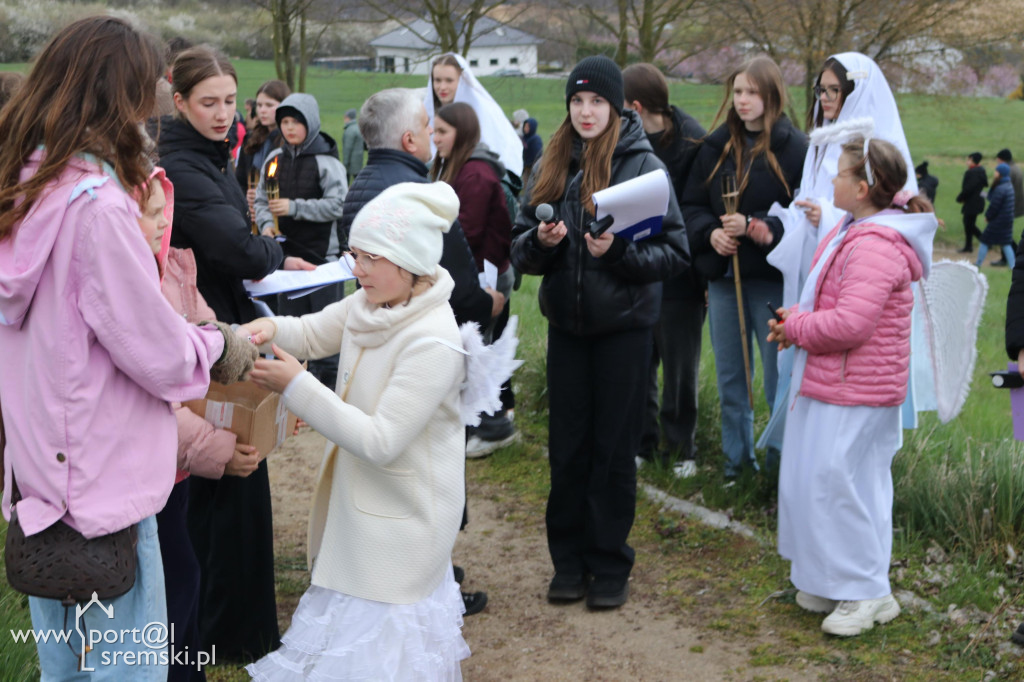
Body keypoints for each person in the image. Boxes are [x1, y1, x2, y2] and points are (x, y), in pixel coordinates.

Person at [0, 17, 254, 678]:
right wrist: (215, 347)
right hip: (104, 481)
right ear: (123, 97)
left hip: (44, 479)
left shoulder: (23, 190)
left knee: (67, 665)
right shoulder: (97, 209)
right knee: (124, 668)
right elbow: (156, 352)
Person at [242, 181, 471, 679]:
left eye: (370, 258)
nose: (357, 268)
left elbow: (381, 441)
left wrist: (297, 386)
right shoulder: (370, 303)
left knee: (379, 652)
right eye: (353, 255)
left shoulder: (434, 340)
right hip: (365, 508)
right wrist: (268, 330)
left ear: (408, 262)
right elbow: (313, 331)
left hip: (403, 520)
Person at [511, 56, 690, 608]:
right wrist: (541, 244)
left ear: (617, 107)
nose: (586, 112)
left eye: (597, 102)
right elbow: (520, 248)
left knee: (612, 453)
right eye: (577, 101)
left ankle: (610, 564)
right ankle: (568, 562)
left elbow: (675, 254)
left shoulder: (642, 165)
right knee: (568, 451)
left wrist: (620, 253)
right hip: (567, 328)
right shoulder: (552, 159)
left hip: (625, 333)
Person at [157, 46, 307, 661]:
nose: (222, 114)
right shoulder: (183, 166)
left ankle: (234, 631)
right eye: (207, 102)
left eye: (228, 101)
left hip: (222, 327)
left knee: (240, 473)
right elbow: (240, 250)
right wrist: (272, 252)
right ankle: (224, 636)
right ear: (179, 102)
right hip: (206, 334)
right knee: (225, 476)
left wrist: (264, 250)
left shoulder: (209, 155)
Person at [340, 88, 500, 614]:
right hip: (419, 343)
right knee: (427, 472)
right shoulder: (417, 200)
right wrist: (490, 304)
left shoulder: (359, 186)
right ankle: (436, 581)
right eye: (428, 129)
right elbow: (455, 280)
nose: (433, 137)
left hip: (377, 344)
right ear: (409, 138)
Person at [769, 136, 937, 637]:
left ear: (862, 187)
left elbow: (850, 325)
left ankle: (867, 592)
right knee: (823, 482)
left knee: (846, 486)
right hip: (839, 381)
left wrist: (795, 329)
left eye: (839, 174)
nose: (831, 182)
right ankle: (831, 577)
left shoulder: (875, 244)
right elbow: (834, 302)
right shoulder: (854, 229)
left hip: (859, 388)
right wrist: (797, 317)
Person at [138, 169, 260, 682]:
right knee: (169, 592)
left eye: (166, 207)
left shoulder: (171, 268)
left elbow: (206, 335)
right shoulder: (133, 288)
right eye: (150, 211)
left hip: (177, 476)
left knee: (181, 585)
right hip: (150, 476)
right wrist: (218, 448)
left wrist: (253, 368)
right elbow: (152, 401)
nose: (166, 218)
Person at [762, 52, 916, 452]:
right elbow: (811, 193)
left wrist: (826, 214)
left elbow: (884, 209)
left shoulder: (871, 143)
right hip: (813, 270)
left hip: (851, 290)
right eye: (822, 90)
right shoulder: (822, 137)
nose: (826, 99)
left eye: (835, 91)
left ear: (855, 93)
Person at [680, 55, 807, 478]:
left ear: (772, 95)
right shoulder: (716, 148)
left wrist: (758, 226)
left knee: (776, 381)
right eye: (737, 92)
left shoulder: (797, 150)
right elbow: (692, 206)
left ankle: (779, 469)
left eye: (753, 92)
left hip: (773, 284)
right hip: (723, 280)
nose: (743, 101)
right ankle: (737, 465)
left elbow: (803, 215)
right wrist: (710, 234)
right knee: (733, 377)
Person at [623, 62, 707, 477]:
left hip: (680, 273)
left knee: (679, 367)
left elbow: (695, 210)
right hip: (637, 269)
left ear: (636, 107)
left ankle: (682, 448)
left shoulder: (694, 143)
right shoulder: (623, 141)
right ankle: (642, 441)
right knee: (639, 363)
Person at [432, 102, 518, 457]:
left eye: (442, 132)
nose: (435, 138)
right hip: (472, 274)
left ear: (462, 134)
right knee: (474, 350)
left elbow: (465, 232)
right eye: (434, 130)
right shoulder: (457, 168)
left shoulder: (477, 174)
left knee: (481, 351)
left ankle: (495, 427)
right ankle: (482, 423)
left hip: (487, 276)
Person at [254, 92, 348, 388]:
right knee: (291, 331)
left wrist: (295, 207)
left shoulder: (326, 162)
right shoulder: (274, 159)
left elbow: (338, 204)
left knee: (326, 332)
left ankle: (329, 391)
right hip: (286, 262)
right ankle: (297, 391)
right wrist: (268, 224)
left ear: (311, 123)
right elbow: (260, 201)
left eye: (296, 121)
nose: (289, 128)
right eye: (284, 122)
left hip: (323, 261)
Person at [426, 53, 524, 179]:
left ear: (462, 80)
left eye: (449, 80)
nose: (442, 87)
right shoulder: (430, 111)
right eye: (437, 80)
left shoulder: (483, 111)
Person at [236, 79, 291, 216]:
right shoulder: (250, 138)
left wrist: (262, 196)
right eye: (259, 105)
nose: (262, 110)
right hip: (251, 215)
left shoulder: (290, 141)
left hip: (278, 214)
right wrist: (245, 198)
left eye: (269, 105)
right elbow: (240, 180)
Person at [977, 162, 1016, 268]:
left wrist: (988, 216)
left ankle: (978, 264)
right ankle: (1013, 267)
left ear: (1000, 174)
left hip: (998, 221)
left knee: (984, 240)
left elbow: (994, 206)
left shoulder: (1000, 188)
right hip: (1007, 220)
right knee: (1006, 243)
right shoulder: (1008, 186)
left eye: (996, 171)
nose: (994, 173)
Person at [995, 148, 1024, 263]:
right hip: (1016, 205)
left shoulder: (1008, 171)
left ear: (1002, 159)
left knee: (1004, 233)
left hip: (1009, 206)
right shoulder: (1016, 168)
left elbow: (1004, 190)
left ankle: (1006, 257)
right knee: (1005, 232)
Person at [956, 152, 987, 253]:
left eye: (968, 160)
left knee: (968, 224)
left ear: (973, 160)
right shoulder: (982, 171)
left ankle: (983, 241)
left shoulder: (971, 173)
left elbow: (968, 188)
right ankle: (970, 245)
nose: (967, 162)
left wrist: (960, 198)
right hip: (979, 202)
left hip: (971, 203)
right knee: (970, 223)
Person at [342, 107, 365, 183]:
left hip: (351, 162)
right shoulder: (358, 127)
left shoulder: (350, 130)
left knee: (346, 181)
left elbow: (347, 148)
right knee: (358, 179)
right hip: (359, 159)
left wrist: (345, 163)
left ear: (348, 118)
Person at [521, 116, 543, 188]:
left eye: (528, 127)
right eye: (525, 126)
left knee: (532, 185)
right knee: (525, 185)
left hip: (533, 167)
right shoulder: (524, 138)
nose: (526, 128)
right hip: (525, 167)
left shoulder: (535, 140)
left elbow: (538, 154)